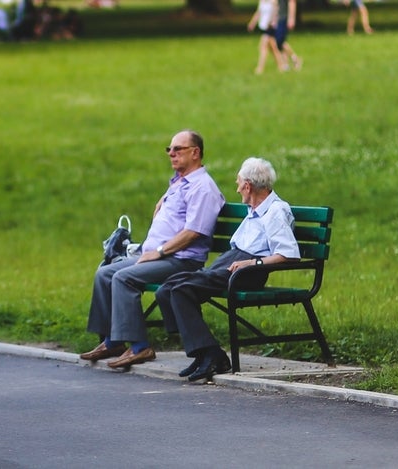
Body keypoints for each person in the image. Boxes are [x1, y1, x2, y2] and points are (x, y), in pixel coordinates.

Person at [80, 130, 225, 369]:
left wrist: (158, 252)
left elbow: (194, 232)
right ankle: (113, 340)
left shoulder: (203, 188)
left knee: (123, 278)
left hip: (180, 260)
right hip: (160, 255)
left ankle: (140, 347)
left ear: (195, 152)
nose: (171, 154)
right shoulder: (179, 183)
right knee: (105, 272)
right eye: (169, 149)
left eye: (178, 149)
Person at [155, 157, 300, 382]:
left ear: (248, 186)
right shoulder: (255, 209)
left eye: (238, 182)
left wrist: (253, 263)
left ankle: (212, 355)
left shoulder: (275, 211)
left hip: (248, 271)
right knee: (168, 288)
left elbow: (288, 254)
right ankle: (202, 352)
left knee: (182, 290)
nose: (237, 187)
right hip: (232, 262)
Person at [247, 0, 286, 74]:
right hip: (264, 26)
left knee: (262, 47)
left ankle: (260, 68)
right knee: (273, 48)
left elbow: (276, 11)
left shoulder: (273, 1)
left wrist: (272, 21)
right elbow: (259, 12)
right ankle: (281, 66)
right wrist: (252, 23)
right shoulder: (262, 1)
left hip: (270, 27)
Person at [275, 0, 302, 71]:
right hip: (279, 17)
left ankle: (295, 58)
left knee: (279, 41)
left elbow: (292, 2)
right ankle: (285, 65)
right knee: (281, 41)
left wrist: (291, 18)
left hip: (284, 17)